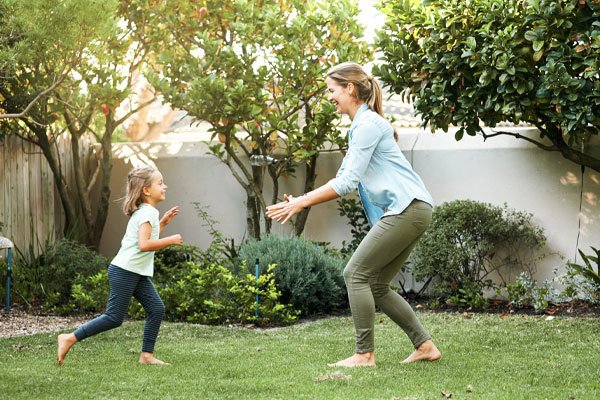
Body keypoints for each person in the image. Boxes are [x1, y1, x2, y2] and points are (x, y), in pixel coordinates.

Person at [266, 62, 441, 368]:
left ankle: (364, 355)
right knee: (376, 284)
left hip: (408, 207)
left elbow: (346, 183)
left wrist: (302, 202)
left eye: (331, 90)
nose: (329, 97)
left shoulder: (367, 126)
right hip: (412, 208)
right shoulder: (363, 126)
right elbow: (347, 175)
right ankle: (424, 346)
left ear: (349, 88)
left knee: (355, 274)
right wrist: (301, 200)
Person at [57, 167, 183, 366]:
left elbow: (146, 240)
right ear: (146, 191)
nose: (164, 186)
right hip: (125, 271)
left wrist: (163, 223)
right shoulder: (147, 212)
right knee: (114, 318)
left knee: (156, 308)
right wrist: (170, 240)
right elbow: (144, 245)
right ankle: (69, 338)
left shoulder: (147, 212)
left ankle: (146, 356)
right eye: (160, 183)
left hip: (134, 271)